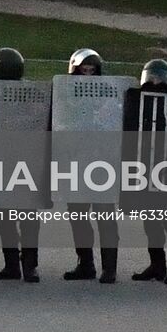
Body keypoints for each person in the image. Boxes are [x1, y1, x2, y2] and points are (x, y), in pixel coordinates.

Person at [0, 47, 41, 283]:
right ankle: (29, 266)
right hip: (29, 164)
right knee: (27, 218)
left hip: (5, 162)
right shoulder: (34, 92)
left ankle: (14, 265)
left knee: (8, 217)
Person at [126, 58, 167, 285]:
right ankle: (157, 265)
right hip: (145, 167)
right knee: (150, 220)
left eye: (159, 77)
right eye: (151, 77)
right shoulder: (137, 102)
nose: (155, 81)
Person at [57, 48, 118, 284]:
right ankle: (86, 264)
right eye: (84, 71)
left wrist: (106, 113)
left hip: (102, 160)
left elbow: (116, 122)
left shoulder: (109, 95)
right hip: (75, 158)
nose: (88, 76)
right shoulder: (65, 97)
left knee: (105, 216)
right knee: (78, 216)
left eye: (93, 71)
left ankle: (109, 268)